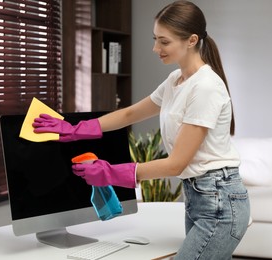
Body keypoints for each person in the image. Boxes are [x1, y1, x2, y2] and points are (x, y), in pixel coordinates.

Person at [33, 1, 250, 259]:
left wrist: (110, 172)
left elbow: (175, 164)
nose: (155, 48)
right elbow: (130, 113)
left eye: (164, 41)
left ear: (191, 40)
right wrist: (74, 129)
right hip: (200, 196)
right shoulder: (176, 81)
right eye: (155, 39)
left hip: (219, 201)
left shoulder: (205, 88)